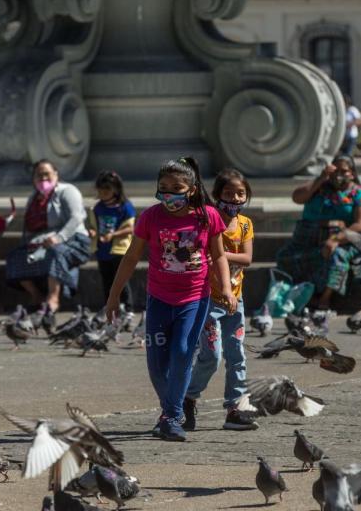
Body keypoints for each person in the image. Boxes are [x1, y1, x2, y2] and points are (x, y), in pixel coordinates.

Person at [104, 157, 234, 442]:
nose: (169, 194)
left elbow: (220, 255)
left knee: (183, 352)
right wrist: (113, 296)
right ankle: (170, 409)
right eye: (164, 187)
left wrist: (225, 288)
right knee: (157, 363)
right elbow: (130, 258)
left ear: (191, 189)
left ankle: (172, 416)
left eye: (177, 187)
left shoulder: (207, 216)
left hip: (194, 299)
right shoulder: (150, 217)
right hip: (159, 299)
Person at [184, 168, 257, 433]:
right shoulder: (208, 221)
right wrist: (217, 255)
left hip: (235, 300)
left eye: (240, 193)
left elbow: (247, 259)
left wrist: (219, 255)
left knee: (237, 355)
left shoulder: (246, 224)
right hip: (209, 300)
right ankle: (188, 397)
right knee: (211, 357)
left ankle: (234, 409)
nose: (235, 198)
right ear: (216, 196)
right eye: (228, 193)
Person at [275, 154, 361, 311]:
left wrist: (336, 239)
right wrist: (321, 178)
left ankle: (324, 298)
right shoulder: (319, 188)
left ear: (353, 174)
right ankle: (302, 292)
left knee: (336, 256)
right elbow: (297, 197)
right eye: (335, 170)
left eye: (344, 171)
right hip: (309, 239)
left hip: (343, 240)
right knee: (285, 256)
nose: (339, 174)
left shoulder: (359, 196)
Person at [5, 159, 91, 321]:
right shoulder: (34, 198)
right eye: (39, 175)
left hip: (74, 240)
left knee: (54, 252)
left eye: (47, 174)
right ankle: (36, 296)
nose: (43, 178)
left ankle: (53, 298)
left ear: (56, 174)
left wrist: (58, 238)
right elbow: (29, 227)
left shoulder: (67, 191)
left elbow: (76, 218)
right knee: (15, 257)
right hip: (41, 242)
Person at [89, 170, 135, 309]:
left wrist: (113, 235)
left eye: (107, 189)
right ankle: (110, 306)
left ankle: (128, 307)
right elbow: (94, 226)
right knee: (107, 280)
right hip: (102, 250)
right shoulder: (98, 208)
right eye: (100, 190)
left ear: (116, 189)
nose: (103, 193)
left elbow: (131, 228)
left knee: (121, 280)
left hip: (119, 250)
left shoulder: (125, 207)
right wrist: (92, 232)